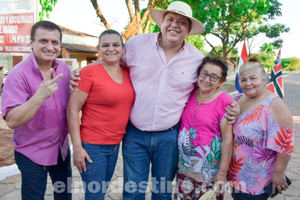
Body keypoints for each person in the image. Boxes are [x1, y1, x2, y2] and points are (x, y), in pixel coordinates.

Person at [70, 1, 239, 199]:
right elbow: (112, 59)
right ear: (163, 22)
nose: (174, 25)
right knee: (133, 191)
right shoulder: (136, 44)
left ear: (189, 29)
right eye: (170, 19)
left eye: (182, 22)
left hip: (169, 136)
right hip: (135, 135)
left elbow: (207, 87)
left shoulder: (196, 59)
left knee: (162, 192)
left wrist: (235, 103)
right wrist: (82, 72)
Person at [1, 21, 72, 200]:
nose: (50, 47)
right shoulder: (18, 74)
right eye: (43, 41)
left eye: (55, 42)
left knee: (65, 194)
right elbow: (12, 120)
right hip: (32, 152)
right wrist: (39, 96)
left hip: (61, 149)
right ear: (31, 42)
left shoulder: (63, 69)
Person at [67, 29, 135, 200]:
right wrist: (77, 147)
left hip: (114, 145)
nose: (111, 49)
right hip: (92, 146)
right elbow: (72, 109)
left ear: (123, 48)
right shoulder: (89, 72)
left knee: (100, 192)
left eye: (115, 45)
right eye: (105, 45)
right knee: (95, 195)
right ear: (98, 49)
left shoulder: (128, 73)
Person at [227, 56, 294, 200]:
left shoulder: (274, 104)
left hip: (257, 180)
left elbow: (285, 144)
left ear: (264, 79)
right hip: (236, 174)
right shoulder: (238, 99)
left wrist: (279, 173)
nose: (248, 83)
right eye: (243, 80)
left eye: (253, 78)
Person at [175, 57, 233, 200]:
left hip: (209, 175)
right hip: (185, 169)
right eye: (204, 73)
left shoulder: (224, 101)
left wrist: (222, 173)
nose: (207, 79)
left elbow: (227, 139)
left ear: (220, 82)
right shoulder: (189, 92)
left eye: (213, 77)